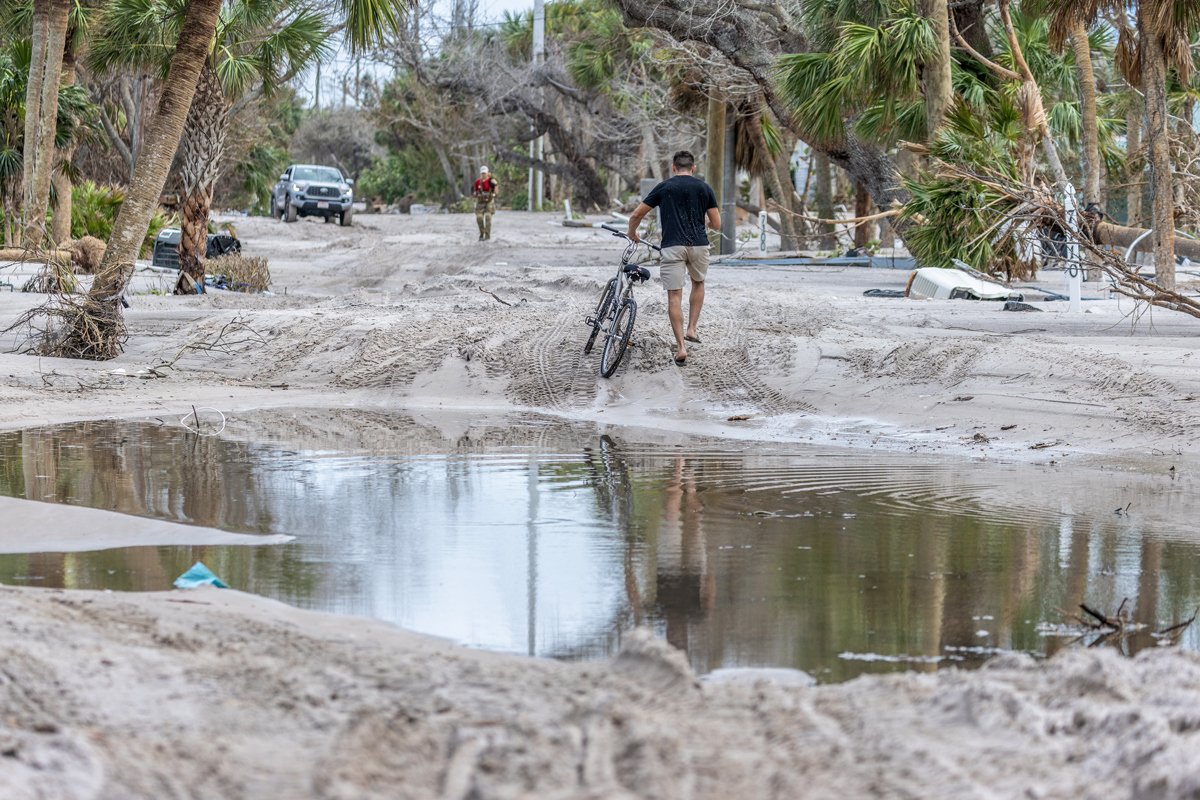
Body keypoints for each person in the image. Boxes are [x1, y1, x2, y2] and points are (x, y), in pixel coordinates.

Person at [627, 151, 720, 366]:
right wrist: (701, 222)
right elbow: (716, 224)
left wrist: (633, 233)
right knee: (698, 283)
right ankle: (692, 328)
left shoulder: (664, 187)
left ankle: (681, 347)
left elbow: (636, 215)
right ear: (693, 168)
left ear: (673, 168)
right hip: (698, 245)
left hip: (672, 246)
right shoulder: (704, 188)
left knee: (674, 297)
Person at [473, 166, 498, 241]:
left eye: (485, 173)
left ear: (487, 173)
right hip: (480, 203)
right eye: (482, 173)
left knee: (488, 217)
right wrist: (476, 194)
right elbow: (474, 192)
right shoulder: (477, 182)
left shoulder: (492, 181)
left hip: (489, 202)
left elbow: (496, 190)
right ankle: (481, 233)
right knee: (479, 217)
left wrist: (495, 191)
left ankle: (487, 236)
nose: (483, 174)